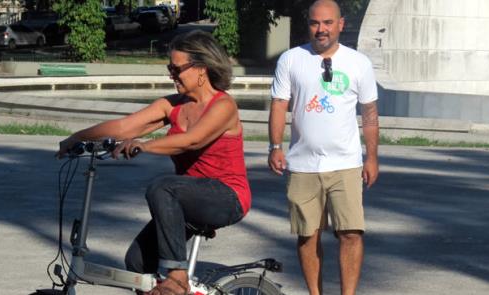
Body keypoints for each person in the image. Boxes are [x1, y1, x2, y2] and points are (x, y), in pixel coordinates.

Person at [56, 30, 251, 295]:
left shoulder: (224, 106)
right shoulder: (172, 106)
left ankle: (178, 276)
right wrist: (76, 138)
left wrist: (144, 145)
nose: (171, 74)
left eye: (176, 68)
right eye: (169, 68)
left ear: (201, 69)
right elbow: (124, 127)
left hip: (227, 196)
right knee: (137, 262)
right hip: (187, 196)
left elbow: (191, 141)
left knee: (162, 187)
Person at [267, 1, 379, 294]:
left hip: (346, 163)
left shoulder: (359, 63)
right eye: (316, 23)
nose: (321, 29)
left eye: (328, 23)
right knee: (307, 235)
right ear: (309, 25)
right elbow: (279, 104)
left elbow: (369, 113)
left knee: (351, 234)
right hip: (303, 165)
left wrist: (372, 158)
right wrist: (275, 146)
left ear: (340, 24)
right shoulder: (291, 59)